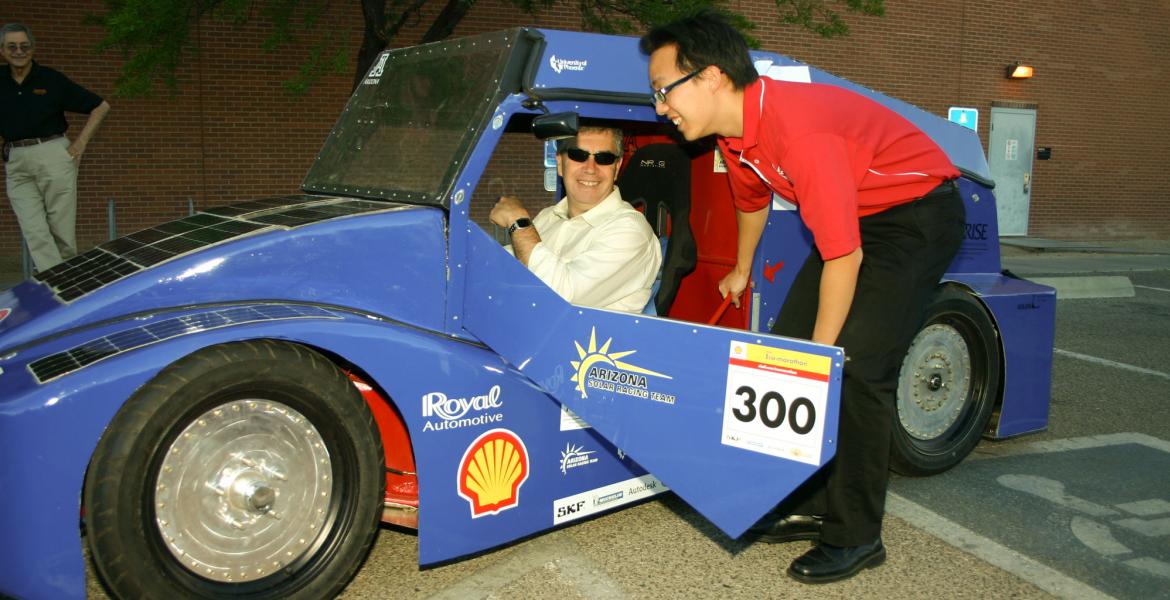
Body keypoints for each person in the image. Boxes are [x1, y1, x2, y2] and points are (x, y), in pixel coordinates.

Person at [641, 11, 965, 584]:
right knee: (788, 351)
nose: (660, 107)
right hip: (859, 220)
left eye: (665, 91)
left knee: (855, 366)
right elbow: (751, 203)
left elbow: (844, 258)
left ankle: (857, 536)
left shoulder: (800, 128)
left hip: (917, 216)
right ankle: (812, 499)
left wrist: (825, 354)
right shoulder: (736, 137)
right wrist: (741, 269)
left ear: (712, 77)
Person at [489, 125, 662, 312]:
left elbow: (560, 296)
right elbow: (506, 264)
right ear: (560, 164)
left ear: (617, 167)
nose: (590, 169)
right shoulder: (549, 217)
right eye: (578, 155)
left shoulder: (630, 230)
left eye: (604, 158)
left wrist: (518, 221)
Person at [1, 22, 111, 272]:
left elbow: (100, 106)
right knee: (34, 230)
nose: (19, 51)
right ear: (3, 51)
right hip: (16, 159)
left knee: (61, 231)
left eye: (24, 46)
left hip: (52, 153)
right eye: (12, 46)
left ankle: (64, 283)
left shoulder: (50, 79)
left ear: (33, 49)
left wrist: (80, 143)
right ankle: (56, 283)